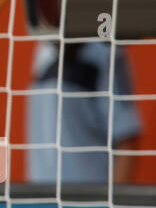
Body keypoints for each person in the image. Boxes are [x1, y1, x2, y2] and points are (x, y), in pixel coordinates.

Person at [26, 39, 142, 186]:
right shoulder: (42, 49)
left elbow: (126, 139)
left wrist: (110, 205)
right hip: (40, 199)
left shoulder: (106, 51)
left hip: (88, 201)